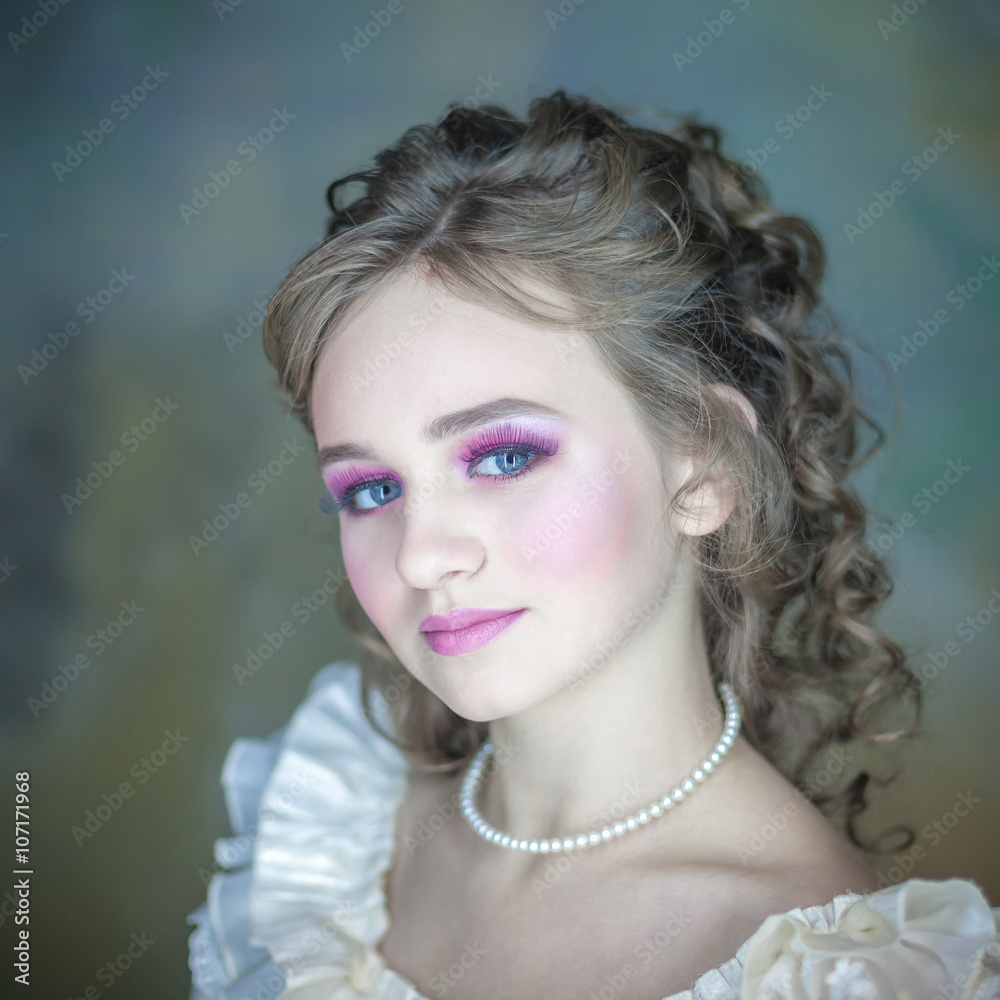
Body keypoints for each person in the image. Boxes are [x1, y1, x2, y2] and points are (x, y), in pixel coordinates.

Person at [186, 90, 1000, 999]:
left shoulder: (834, 973)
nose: (419, 556)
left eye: (503, 457)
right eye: (371, 490)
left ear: (703, 466)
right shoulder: (334, 835)